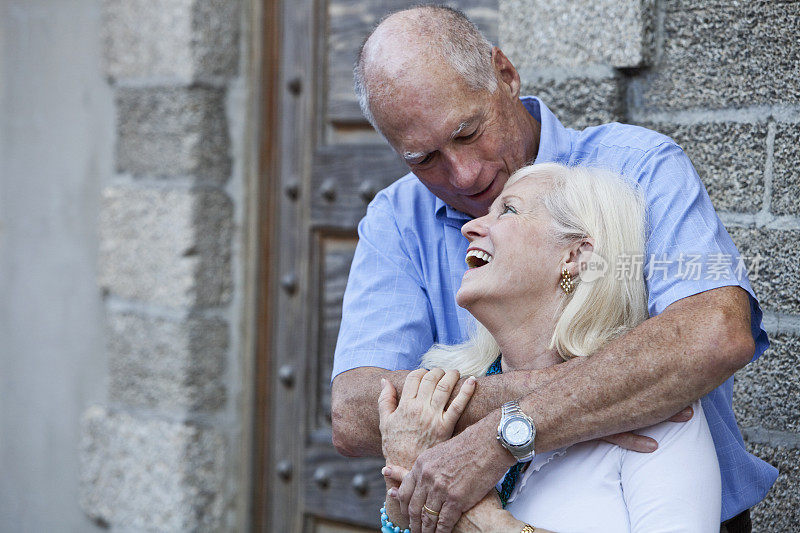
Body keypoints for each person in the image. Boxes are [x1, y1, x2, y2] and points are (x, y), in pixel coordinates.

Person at [330, 5, 776, 533]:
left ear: (505, 74)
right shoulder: (396, 219)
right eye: (424, 159)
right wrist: (606, 392)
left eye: (469, 132)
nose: (464, 175)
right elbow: (357, 412)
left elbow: (714, 334)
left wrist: (498, 434)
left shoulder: (640, 165)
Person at [377, 163, 722, 532]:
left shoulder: (657, 417)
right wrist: (403, 480)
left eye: (508, 209)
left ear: (575, 255)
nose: (470, 227)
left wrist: (488, 522)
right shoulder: (441, 412)